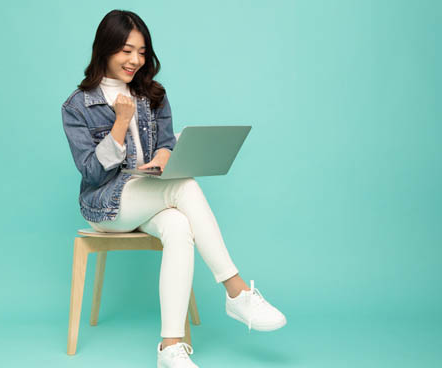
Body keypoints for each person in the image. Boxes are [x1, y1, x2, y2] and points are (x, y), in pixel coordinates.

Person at [60, 9, 286, 368]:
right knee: (184, 188)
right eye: (126, 50)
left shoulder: (153, 94)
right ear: (105, 49)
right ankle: (236, 290)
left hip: (149, 195)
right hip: (106, 205)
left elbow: (165, 141)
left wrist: (164, 157)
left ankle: (170, 347)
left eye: (142, 51)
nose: (135, 60)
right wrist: (120, 122)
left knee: (180, 226)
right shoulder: (77, 106)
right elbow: (90, 172)